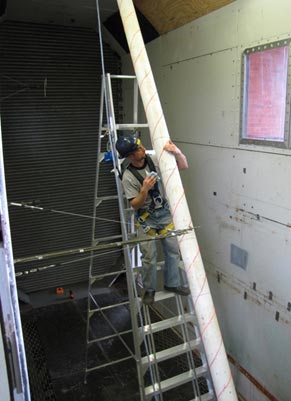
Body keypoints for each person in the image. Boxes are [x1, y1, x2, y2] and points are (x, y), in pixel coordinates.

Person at [116, 135, 190, 305]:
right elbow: (135, 204)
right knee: (149, 256)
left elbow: (184, 165)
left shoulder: (156, 160)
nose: (142, 149)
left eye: (141, 146)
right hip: (146, 218)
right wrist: (144, 190)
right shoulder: (128, 176)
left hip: (163, 214)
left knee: (173, 250)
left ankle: (172, 283)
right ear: (130, 156)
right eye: (137, 149)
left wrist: (177, 152)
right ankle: (149, 290)